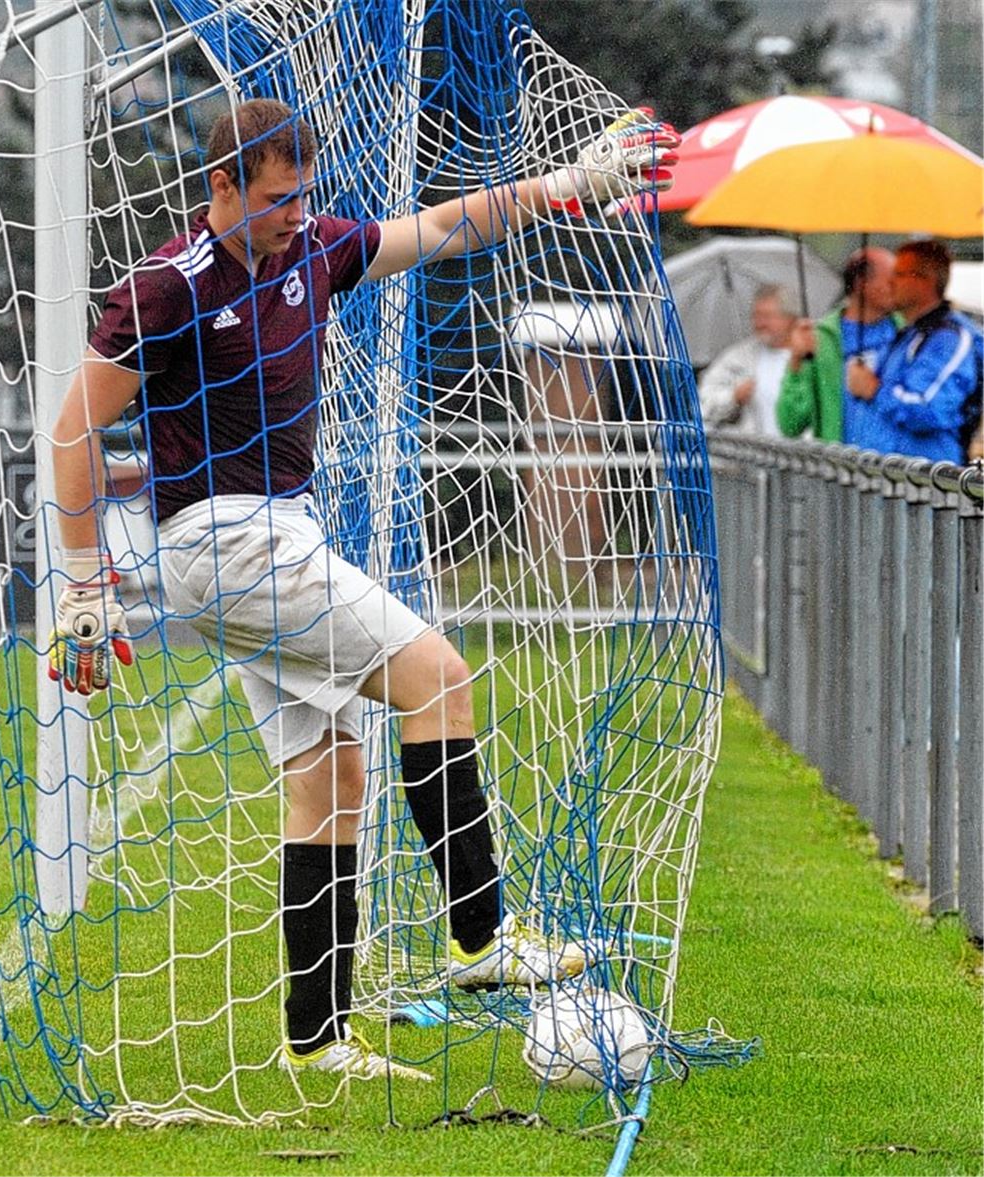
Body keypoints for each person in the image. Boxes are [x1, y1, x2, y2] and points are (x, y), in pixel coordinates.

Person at [48, 99, 680, 1080]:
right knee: (437, 675)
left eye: (302, 196)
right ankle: (485, 938)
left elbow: (435, 228)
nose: (293, 214)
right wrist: (84, 583)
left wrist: (565, 187)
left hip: (273, 537)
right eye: (273, 198)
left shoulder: (313, 250)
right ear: (220, 187)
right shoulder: (167, 286)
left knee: (330, 783)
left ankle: (316, 1037)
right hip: (222, 545)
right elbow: (73, 433)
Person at [847, 239, 983, 463]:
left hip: (923, 486)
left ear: (926, 281)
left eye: (899, 274)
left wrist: (874, 390)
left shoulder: (950, 339)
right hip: (888, 484)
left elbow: (930, 409)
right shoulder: (906, 335)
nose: (890, 282)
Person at [776, 248, 900, 443]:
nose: (900, 287)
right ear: (862, 284)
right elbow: (790, 424)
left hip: (898, 468)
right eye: (891, 281)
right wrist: (796, 361)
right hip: (842, 468)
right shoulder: (820, 339)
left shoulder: (907, 331)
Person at [698, 285, 797, 437]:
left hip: (803, 454)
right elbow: (703, 405)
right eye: (756, 316)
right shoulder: (737, 357)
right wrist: (733, 397)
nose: (759, 323)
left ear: (790, 318)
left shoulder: (810, 355)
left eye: (767, 316)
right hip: (754, 455)